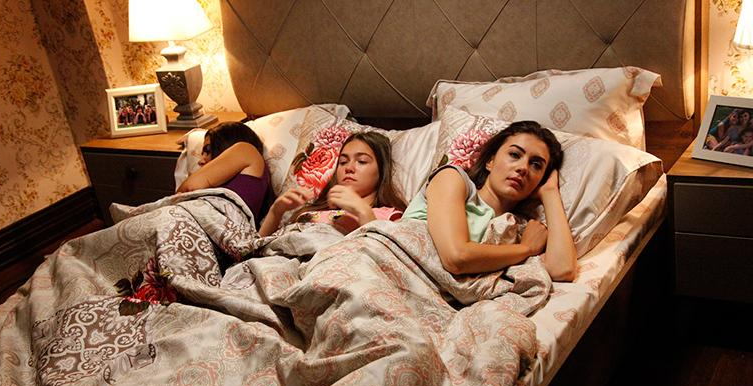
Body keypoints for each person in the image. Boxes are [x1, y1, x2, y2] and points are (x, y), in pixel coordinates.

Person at [403, 120, 577, 282]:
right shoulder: (452, 178)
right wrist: (526, 249)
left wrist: (550, 193)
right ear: (490, 161)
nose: (523, 168)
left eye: (536, 165)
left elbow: (562, 270)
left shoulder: (517, 229)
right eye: (515, 155)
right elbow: (456, 258)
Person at [258, 131, 405, 237]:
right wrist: (275, 212)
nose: (349, 168)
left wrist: (363, 211)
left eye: (361, 161)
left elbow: (385, 256)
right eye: (343, 162)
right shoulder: (312, 212)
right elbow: (257, 249)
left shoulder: (388, 216)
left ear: (382, 170)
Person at [176, 121, 272, 224]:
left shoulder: (246, 150)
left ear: (227, 145)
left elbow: (187, 188)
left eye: (208, 150)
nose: (201, 160)